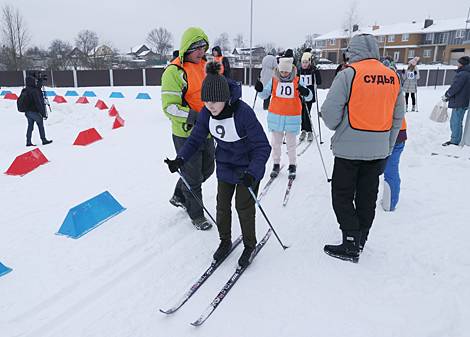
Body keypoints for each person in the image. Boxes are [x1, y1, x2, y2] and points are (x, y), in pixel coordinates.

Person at [165, 61, 271, 267]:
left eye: (214, 101)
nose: (210, 105)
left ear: (225, 98)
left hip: (247, 167)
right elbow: (195, 139)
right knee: (222, 206)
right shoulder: (206, 113)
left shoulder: (243, 112)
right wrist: (181, 159)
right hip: (225, 164)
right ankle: (225, 241)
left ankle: (249, 245)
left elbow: (262, 146)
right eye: (206, 101)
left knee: (243, 206)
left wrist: (253, 172)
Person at [320, 33, 404, 263]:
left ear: (352, 51)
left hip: (348, 149)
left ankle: (350, 242)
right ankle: (361, 238)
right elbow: (398, 117)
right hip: (378, 150)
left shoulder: (349, 74)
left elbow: (329, 114)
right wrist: (387, 145)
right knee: (367, 195)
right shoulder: (392, 76)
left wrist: (339, 126)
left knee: (342, 194)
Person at [161, 27, 215, 230]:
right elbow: (169, 107)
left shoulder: (206, 67)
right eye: (197, 48)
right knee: (193, 177)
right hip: (185, 132)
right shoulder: (174, 72)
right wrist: (195, 116)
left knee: (207, 169)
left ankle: (179, 194)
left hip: (208, 129)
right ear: (187, 48)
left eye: (203, 48)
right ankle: (197, 214)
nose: (201, 53)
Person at [255, 55, 313, 180]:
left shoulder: (297, 80)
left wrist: (306, 92)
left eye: (286, 71)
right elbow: (264, 95)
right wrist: (259, 90)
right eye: (282, 71)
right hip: (276, 116)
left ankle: (292, 165)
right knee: (276, 144)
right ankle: (276, 164)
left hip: (292, 117)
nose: (284, 74)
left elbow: (309, 97)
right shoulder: (274, 80)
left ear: (291, 70)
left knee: (291, 145)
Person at [381, 59, 408, 212]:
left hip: (392, 134)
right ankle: (389, 202)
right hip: (395, 135)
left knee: (390, 169)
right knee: (390, 168)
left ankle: (390, 203)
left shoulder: (396, 92)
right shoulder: (398, 89)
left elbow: (400, 113)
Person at [441, 55, 470, 146]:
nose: (457, 63)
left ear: (461, 64)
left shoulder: (463, 74)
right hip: (463, 100)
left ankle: (455, 140)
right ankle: (456, 139)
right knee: (457, 120)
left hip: (459, 101)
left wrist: (447, 95)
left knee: (455, 121)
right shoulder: (466, 73)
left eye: (458, 62)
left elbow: (455, 87)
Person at [297, 51, 322, 142]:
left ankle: (309, 131)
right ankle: (303, 130)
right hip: (300, 95)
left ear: (309, 62)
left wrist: (316, 74)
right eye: (303, 62)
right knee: (301, 112)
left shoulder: (312, 70)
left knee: (307, 113)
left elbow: (319, 82)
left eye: (306, 62)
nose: (304, 64)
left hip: (309, 95)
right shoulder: (299, 70)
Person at [24, 73, 52, 147]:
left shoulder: (25, 90)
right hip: (35, 112)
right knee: (40, 126)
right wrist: (43, 113)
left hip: (27, 112)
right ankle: (44, 140)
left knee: (30, 126)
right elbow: (38, 103)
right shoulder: (34, 91)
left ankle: (28, 141)